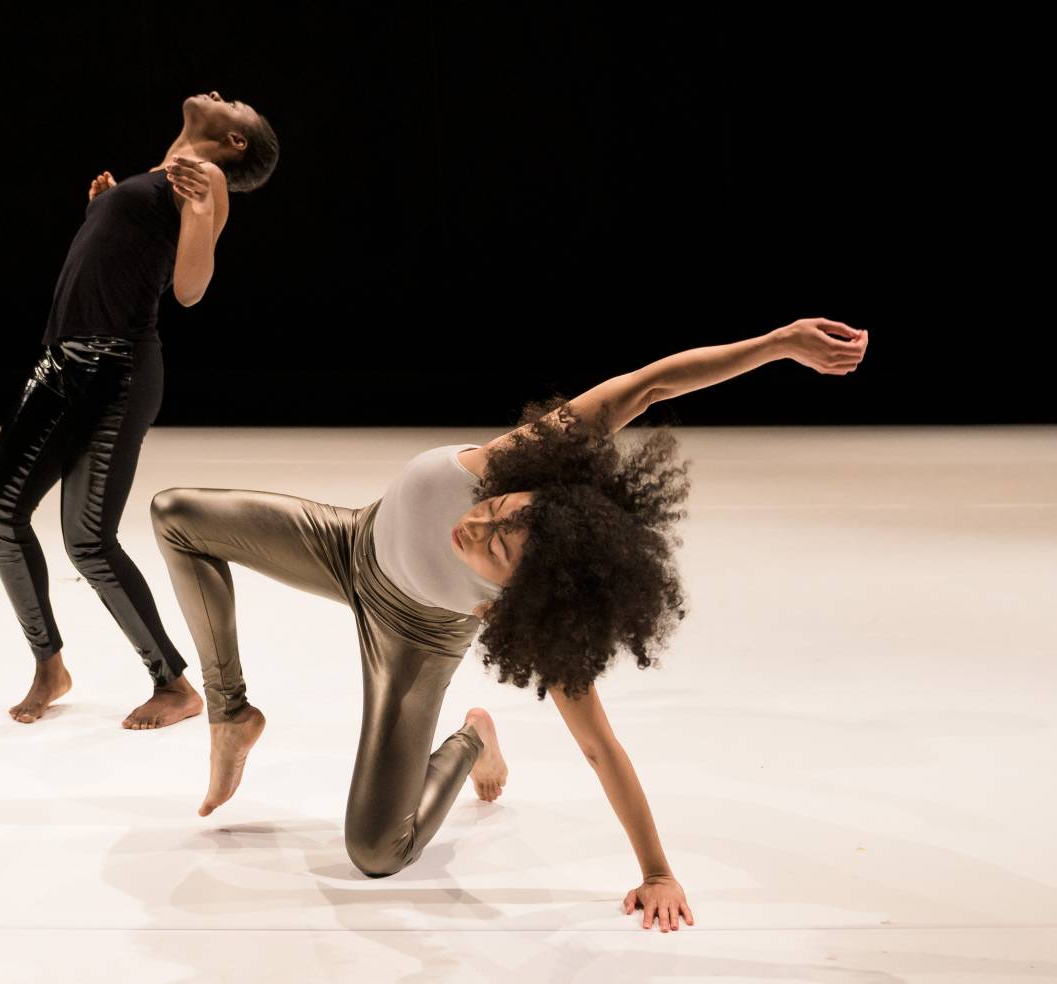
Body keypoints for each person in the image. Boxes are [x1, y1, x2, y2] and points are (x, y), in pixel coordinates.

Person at [149, 317, 868, 931]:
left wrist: (657, 870)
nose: (474, 527)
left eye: (495, 552)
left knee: (376, 852)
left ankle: (470, 742)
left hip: (413, 636)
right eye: (498, 514)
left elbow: (600, 749)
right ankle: (231, 714)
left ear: (521, 599)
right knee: (176, 516)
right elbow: (650, 385)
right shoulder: (520, 460)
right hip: (347, 543)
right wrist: (775, 344)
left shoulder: (537, 616)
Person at [0, 91, 279, 729]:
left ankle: (173, 684)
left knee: (85, 539)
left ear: (235, 142)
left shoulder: (208, 178)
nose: (220, 95)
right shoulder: (160, 177)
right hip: (62, 360)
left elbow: (191, 289)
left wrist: (198, 209)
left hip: (115, 368)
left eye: (236, 104)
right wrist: (106, 209)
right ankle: (49, 665)